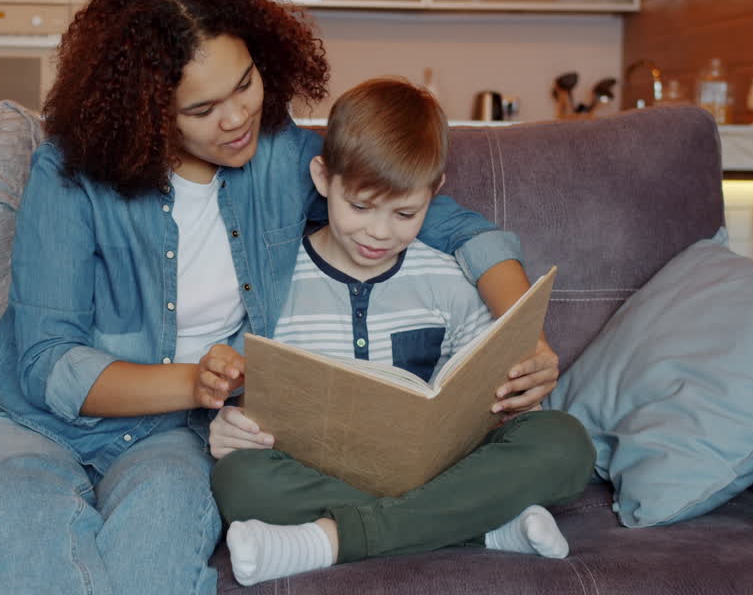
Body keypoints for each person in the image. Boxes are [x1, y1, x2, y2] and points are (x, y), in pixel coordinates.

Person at [0, 0, 561, 595]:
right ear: (146, 111)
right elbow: (47, 364)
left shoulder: (282, 157)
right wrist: (196, 381)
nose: (238, 119)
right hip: (29, 427)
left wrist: (521, 335)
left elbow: (450, 224)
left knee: (153, 563)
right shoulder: (69, 176)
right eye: (203, 108)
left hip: (170, 439)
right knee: (24, 525)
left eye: (246, 84)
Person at [208, 78, 596, 587]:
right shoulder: (275, 284)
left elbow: (492, 394)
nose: (379, 232)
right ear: (323, 179)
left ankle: (327, 540)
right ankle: (480, 529)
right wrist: (230, 425)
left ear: (432, 196)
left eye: (405, 213)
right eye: (361, 207)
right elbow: (243, 397)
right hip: (324, 473)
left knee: (565, 444)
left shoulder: (446, 279)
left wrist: (516, 398)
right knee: (239, 480)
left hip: (443, 470)